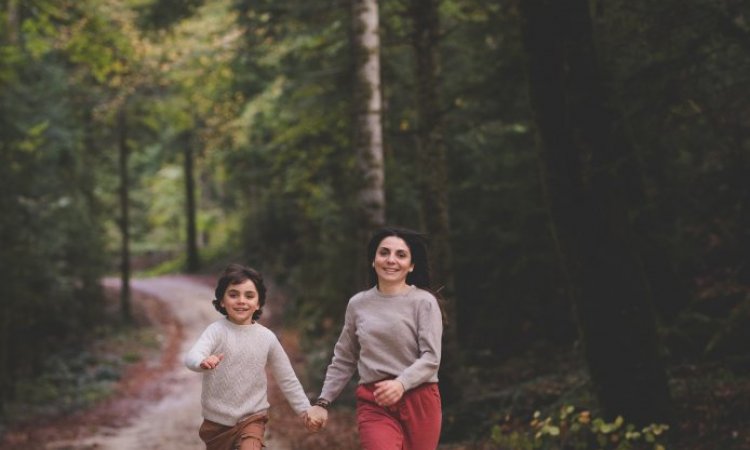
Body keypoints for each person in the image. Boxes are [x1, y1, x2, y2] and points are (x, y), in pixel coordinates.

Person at [307, 226, 444, 449]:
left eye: (401, 255)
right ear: (373, 260)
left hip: (419, 398)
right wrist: (323, 401)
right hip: (375, 400)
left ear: (411, 265)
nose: (391, 260)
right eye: (384, 253)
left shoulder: (424, 302)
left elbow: (431, 358)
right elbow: (344, 358)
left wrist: (401, 384)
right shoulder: (358, 304)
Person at [185, 263, 314, 450]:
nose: (241, 300)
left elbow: (287, 378)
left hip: (252, 418)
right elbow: (192, 356)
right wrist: (201, 361)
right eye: (233, 294)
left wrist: (304, 409)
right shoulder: (216, 331)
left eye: (249, 295)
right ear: (222, 300)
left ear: (259, 303)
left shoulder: (267, 338)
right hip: (216, 424)